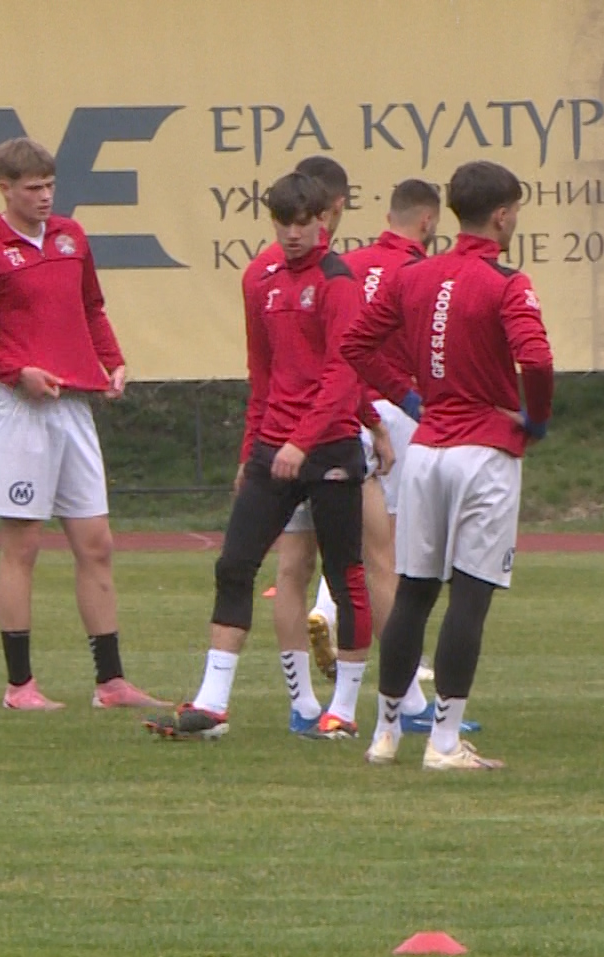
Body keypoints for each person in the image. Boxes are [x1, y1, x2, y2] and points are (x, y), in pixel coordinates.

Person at [144, 172, 376, 740]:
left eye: (303, 223)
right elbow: (263, 373)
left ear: (323, 220)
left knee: (345, 575)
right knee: (234, 564)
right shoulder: (260, 279)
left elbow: (343, 374)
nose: (293, 234)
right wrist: (252, 450)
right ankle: (211, 705)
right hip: (275, 447)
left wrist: (303, 441)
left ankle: (343, 710)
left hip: (330, 448)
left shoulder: (339, 282)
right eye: (282, 223)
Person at [338, 160, 552, 771]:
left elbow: (355, 344)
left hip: (426, 451)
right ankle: (444, 741)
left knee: (413, 592)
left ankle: (385, 734)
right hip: (483, 452)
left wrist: (409, 398)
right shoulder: (506, 282)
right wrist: (535, 419)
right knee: (470, 595)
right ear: (502, 215)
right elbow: (536, 360)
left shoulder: (414, 275)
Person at [0, 136, 166, 712]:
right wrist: (16, 373)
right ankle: (20, 686)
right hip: (21, 412)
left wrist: (111, 360)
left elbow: (92, 307)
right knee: (23, 546)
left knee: (96, 544)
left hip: (73, 406)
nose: (44, 196)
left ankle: (111, 683)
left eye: (49, 185)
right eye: (33, 188)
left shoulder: (72, 237)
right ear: (5, 188)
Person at [301, 178, 472, 738]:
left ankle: (325, 622)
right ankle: (401, 691)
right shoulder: (419, 273)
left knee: (343, 540)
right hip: (393, 411)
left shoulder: (349, 264)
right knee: (386, 553)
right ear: (427, 222)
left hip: (341, 406)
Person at [256, 155, 387, 738]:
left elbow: (272, 372)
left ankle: (303, 704)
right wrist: (374, 418)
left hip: (289, 435)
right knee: (372, 562)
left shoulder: (265, 273)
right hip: (326, 437)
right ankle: (392, 696)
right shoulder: (337, 274)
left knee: (291, 567)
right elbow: (344, 366)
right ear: (333, 209)